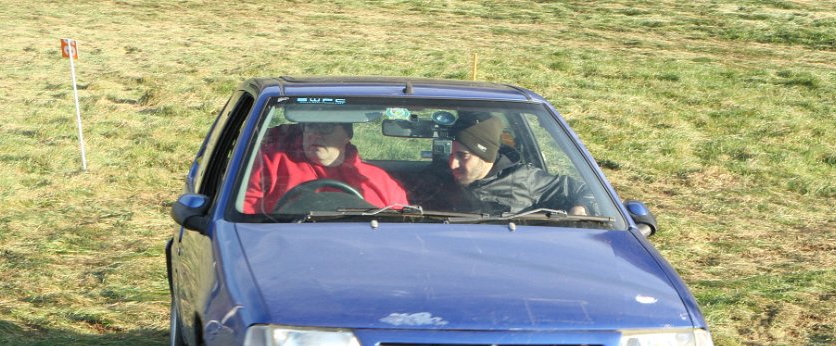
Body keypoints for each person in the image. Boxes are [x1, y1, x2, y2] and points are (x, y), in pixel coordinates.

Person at [424, 113, 595, 216]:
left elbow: (587, 191)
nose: (452, 164)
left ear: (487, 156)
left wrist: (582, 207)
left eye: (463, 156)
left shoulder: (525, 179)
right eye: (451, 154)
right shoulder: (437, 177)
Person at [242, 121, 408, 214]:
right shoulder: (269, 165)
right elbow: (244, 218)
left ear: (347, 135)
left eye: (325, 127)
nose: (315, 134)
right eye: (309, 127)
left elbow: (401, 227)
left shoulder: (378, 180)